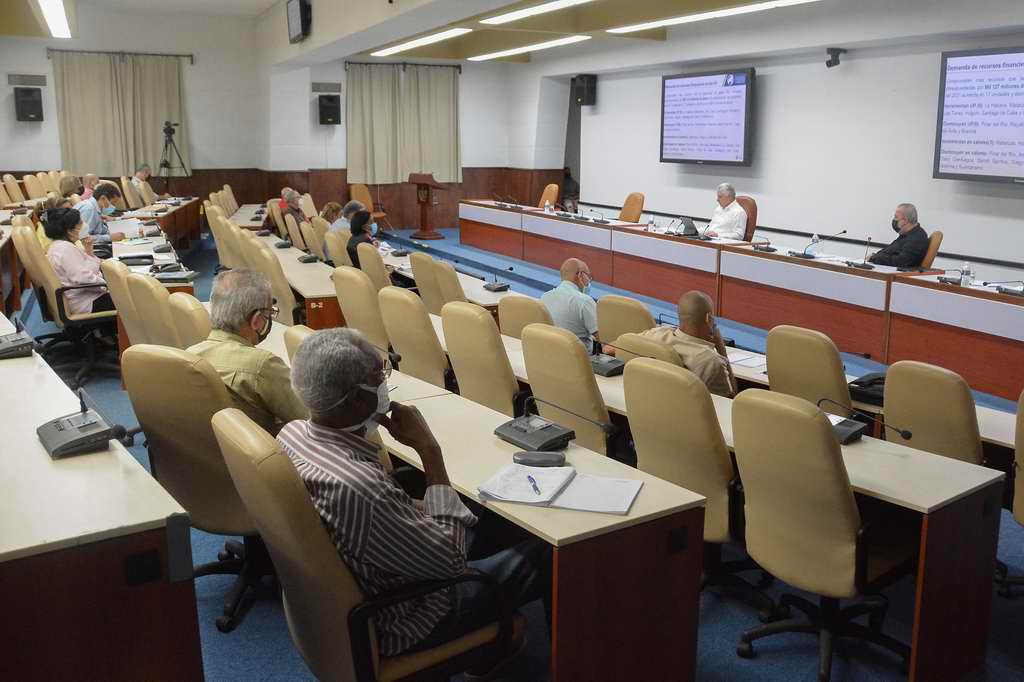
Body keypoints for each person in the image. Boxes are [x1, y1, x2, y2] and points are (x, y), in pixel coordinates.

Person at [279, 328, 550, 660]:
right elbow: (452, 563)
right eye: (379, 376)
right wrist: (429, 450)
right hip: (410, 616)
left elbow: (388, 515)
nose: (385, 384)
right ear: (356, 400)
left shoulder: (292, 434)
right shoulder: (361, 488)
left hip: (368, 576)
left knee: (494, 514)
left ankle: (494, 647)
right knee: (550, 552)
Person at [187, 269, 307, 435]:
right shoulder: (262, 365)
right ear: (257, 320)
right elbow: (311, 419)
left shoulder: (188, 356)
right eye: (269, 312)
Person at [609, 291, 736, 398]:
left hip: (643, 402)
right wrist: (721, 349)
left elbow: (608, 348)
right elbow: (731, 399)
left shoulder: (656, 333)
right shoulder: (711, 360)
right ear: (708, 318)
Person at [44, 207, 114, 315]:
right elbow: (84, 279)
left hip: (88, 295)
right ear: (70, 230)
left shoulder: (62, 245)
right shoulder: (64, 249)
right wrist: (110, 284)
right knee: (130, 300)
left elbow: (88, 270)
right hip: (85, 302)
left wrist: (89, 250)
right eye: (80, 223)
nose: (84, 225)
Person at [540, 258, 597, 352]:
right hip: (581, 362)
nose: (589, 281)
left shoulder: (544, 297)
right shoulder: (584, 301)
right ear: (580, 275)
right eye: (588, 276)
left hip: (551, 355)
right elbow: (604, 341)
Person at [869, 203, 929, 268]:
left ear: (905, 220)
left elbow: (901, 261)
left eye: (896, 217)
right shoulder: (905, 235)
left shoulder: (917, 238)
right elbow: (889, 250)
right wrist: (875, 256)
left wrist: (875, 258)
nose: (894, 220)